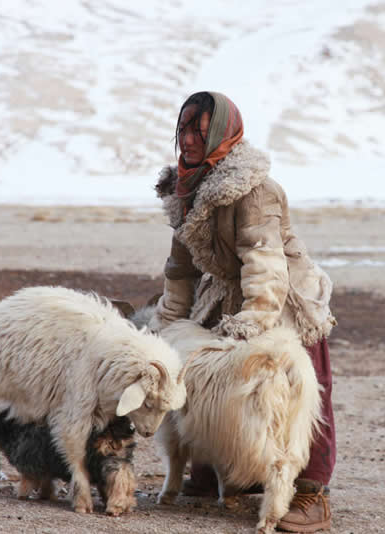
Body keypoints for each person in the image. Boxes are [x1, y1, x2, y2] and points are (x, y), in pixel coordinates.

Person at [150, 91, 337, 533]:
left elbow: (264, 260)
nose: (188, 139)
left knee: (301, 392)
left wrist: (255, 320)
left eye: (199, 130)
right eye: (183, 129)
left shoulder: (254, 190)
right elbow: (180, 268)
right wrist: (167, 324)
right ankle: (215, 474)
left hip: (284, 296)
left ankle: (312, 495)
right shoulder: (187, 187)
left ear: (221, 133)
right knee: (213, 381)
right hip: (226, 293)